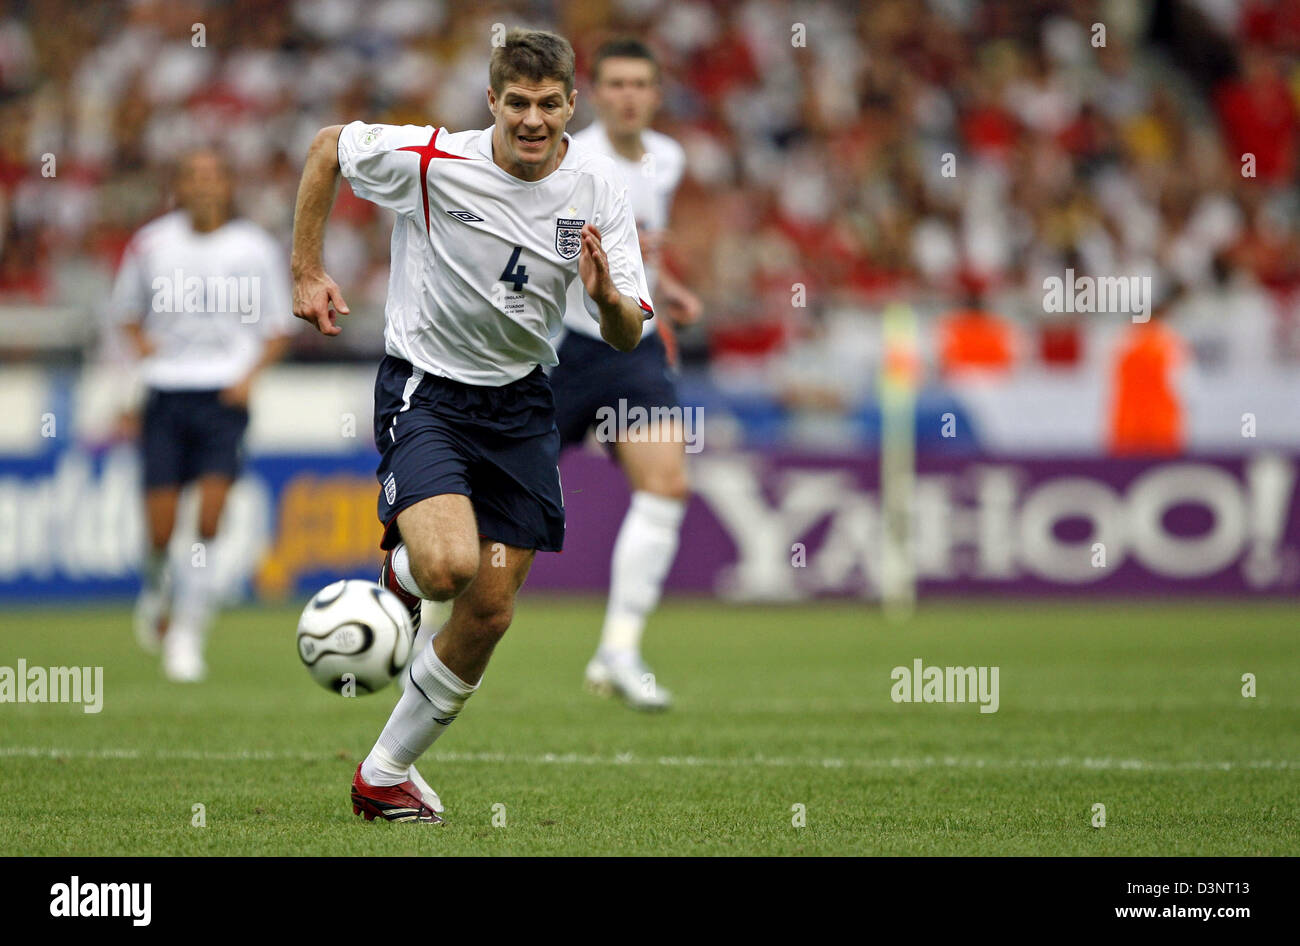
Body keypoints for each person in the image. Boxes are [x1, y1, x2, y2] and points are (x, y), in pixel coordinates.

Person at [289, 28, 654, 824]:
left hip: (522, 404)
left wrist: (606, 302)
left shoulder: (598, 188)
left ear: (570, 105)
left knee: (489, 610)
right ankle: (405, 584)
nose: (531, 119)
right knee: (450, 566)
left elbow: (629, 331)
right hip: (428, 394)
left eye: (548, 104)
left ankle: (384, 775)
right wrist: (309, 270)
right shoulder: (432, 160)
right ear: (491, 101)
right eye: (516, 102)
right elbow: (327, 149)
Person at [550, 38, 701, 711]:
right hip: (559, 349)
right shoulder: (570, 158)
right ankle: (428, 625)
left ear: (656, 92)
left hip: (632, 347)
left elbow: (642, 246)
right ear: (594, 94)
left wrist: (666, 292)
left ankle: (619, 649)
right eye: (615, 84)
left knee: (666, 485)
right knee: (492, 508)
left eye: (641, 83)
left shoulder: (668, 158)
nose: (629, 95)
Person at [111, 148, 293, 682]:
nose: (204, 185)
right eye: (193, 176)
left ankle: (188, 634)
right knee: (161, 530)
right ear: (180, 186)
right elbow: (126, 314)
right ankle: (154, 591)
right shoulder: (152, 245)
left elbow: (277, 327)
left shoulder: (252, 247)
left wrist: (247, 378)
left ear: (227, 185)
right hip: (167, 396)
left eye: (213, 176)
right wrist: (147, 353)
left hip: (223, 399)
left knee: (210, 518)